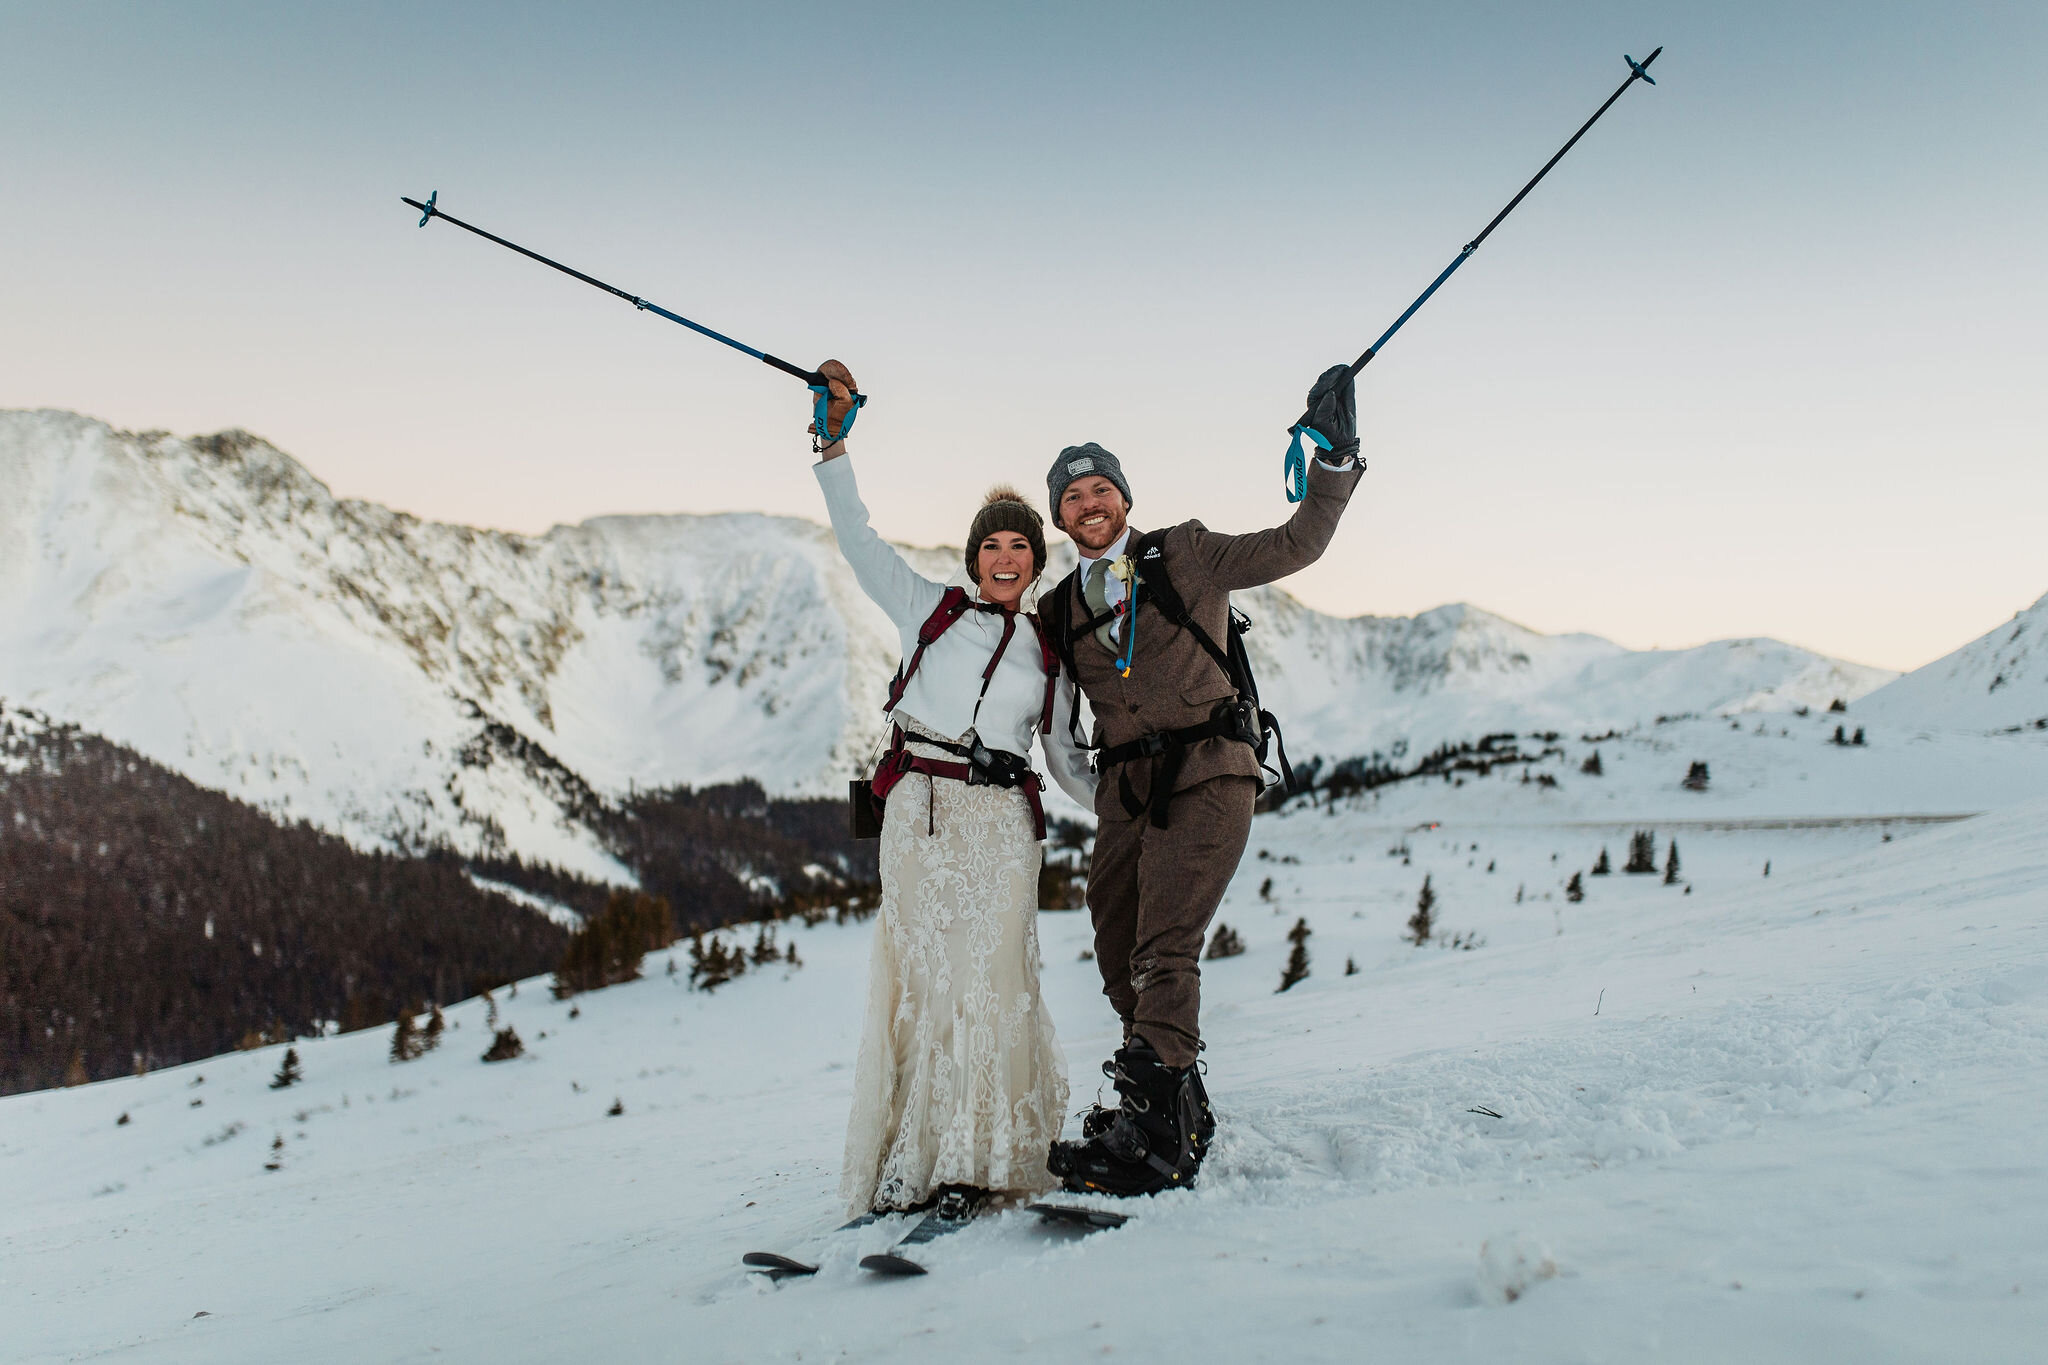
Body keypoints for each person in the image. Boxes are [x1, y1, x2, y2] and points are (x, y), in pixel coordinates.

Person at [1042, 364, 1365, 1196]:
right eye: (1072, 496)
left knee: (1165, 945)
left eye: (1100, 487)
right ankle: (1174, 1097)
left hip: (1212, 769)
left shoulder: (1184, 551)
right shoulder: (1057, 608)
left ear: (1124, 497)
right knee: (1118, 951)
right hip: (1126, 793)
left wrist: (1333, 462)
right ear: (1060, 516)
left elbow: (1295, 543)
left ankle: (1155, 1141)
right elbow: (1041, 704)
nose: (1089, 502)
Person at [805, 360, 1099, 1222]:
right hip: (915, 816)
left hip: (1002, 827)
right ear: (973, 557)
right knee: (922, 986)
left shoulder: (1049, 654)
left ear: (1035, 563)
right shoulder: (925, 609)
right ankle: (908, 1163)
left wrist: (1134, 805)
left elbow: (1068, 760)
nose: (1005, 557)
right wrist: (834, 443)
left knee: (987, 984)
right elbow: (856, 536)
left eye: (1020, 546)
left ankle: (977, 1161)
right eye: (992, 544)